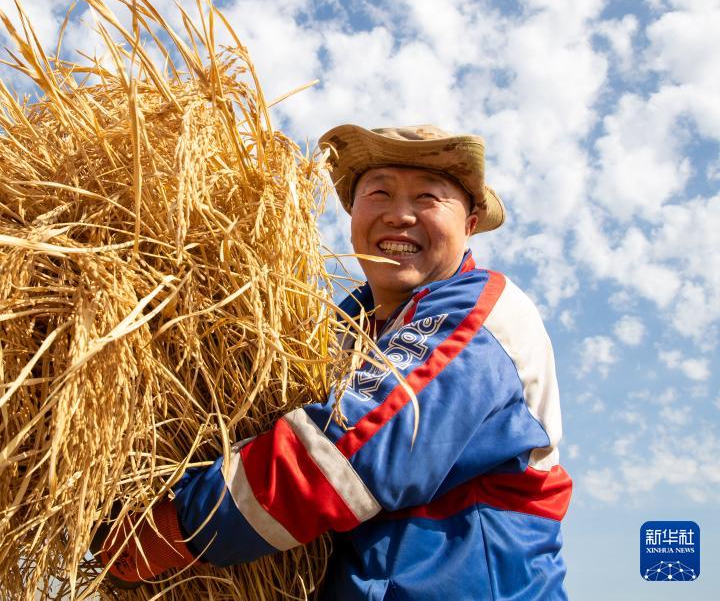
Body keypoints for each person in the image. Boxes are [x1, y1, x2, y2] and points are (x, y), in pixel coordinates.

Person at [97, 124, 571, 599]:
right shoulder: (337, 331)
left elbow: (351, 449)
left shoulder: (483, 313)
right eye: (379, 192)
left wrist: (176, 528)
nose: (399, 215)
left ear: (469, 223)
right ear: (352, 213)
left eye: (428, 197)